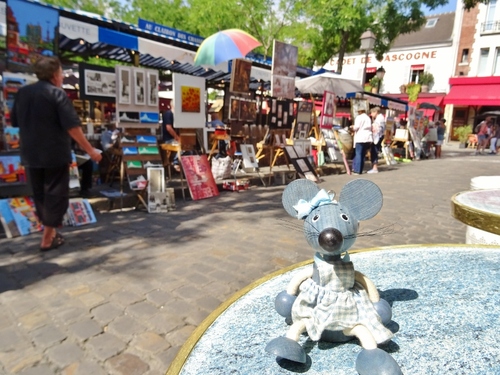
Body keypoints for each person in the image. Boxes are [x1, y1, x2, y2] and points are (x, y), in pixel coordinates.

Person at [11, 56, 102, 251]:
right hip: (54, 152)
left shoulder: (22, 93)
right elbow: (73, 127)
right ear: (54, 75)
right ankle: (46, 238)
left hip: (30, 153)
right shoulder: (57, 94)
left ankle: (50, 233)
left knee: (40, 194)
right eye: (61, 73)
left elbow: (15, 122)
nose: (62, 77)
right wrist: (91, 151)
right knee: (56, 194)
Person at [351, 109, 373, 175]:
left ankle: (357, 170)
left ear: (360, 112)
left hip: (360, 138)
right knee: (363, 154)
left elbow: (356, 127)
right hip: (368, 138)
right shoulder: (368, 118)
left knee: (358, 154)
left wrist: (352, 127)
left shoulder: (359, 117)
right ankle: (361, 169)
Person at [161, 101, 181, 171]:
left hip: (173, 139)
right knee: (181, 146)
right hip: (168, 139)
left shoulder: (176, 115)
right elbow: (168, 128)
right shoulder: (168, 114)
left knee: (186, 146)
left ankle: (176, 164)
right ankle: (176, 163)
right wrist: (177, 137)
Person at [368, 107, 386, 173]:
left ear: (376, 112)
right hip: (380, 136)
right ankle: (374, 167)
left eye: (372, 113)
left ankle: (375, 167)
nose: (371, 114)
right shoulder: (381, 118)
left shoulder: (379, 119)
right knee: (374, 151)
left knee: (374, 151)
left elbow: (376, 130)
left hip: (377, 137)